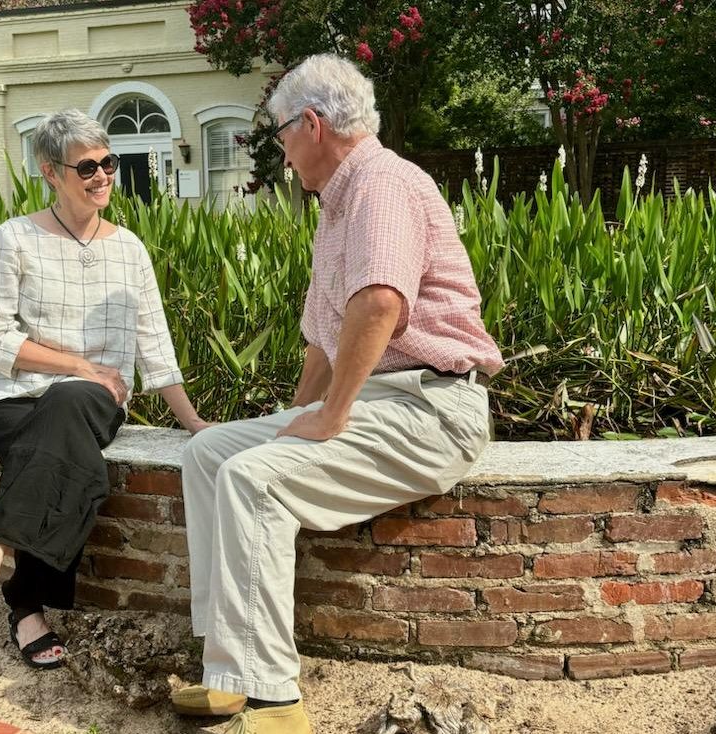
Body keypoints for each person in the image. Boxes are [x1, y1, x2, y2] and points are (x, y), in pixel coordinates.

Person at [170, 54, 504, 732]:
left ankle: (272, 700)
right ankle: (227, 669)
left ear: (312, 125)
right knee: (209, 454)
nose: (283, 153)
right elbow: (324, 342)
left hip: (428, 408)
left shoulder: (383, 184)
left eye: (281, 136)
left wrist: (331, 415)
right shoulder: (337, 207)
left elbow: (379, 305)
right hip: (382, 403)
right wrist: (298, 413)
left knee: (254, 479)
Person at [0, 109, 209, 669]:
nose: (103, 175)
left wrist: (194, 423)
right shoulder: (15, 238)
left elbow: (154, 341)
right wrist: (80, 364)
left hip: (91, 402)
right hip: (12, 399)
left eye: (109, 163)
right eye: (87, 167)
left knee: (68, 404)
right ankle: (24, 607)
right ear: (50, 172)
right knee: (61, 449)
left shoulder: (129, 248)